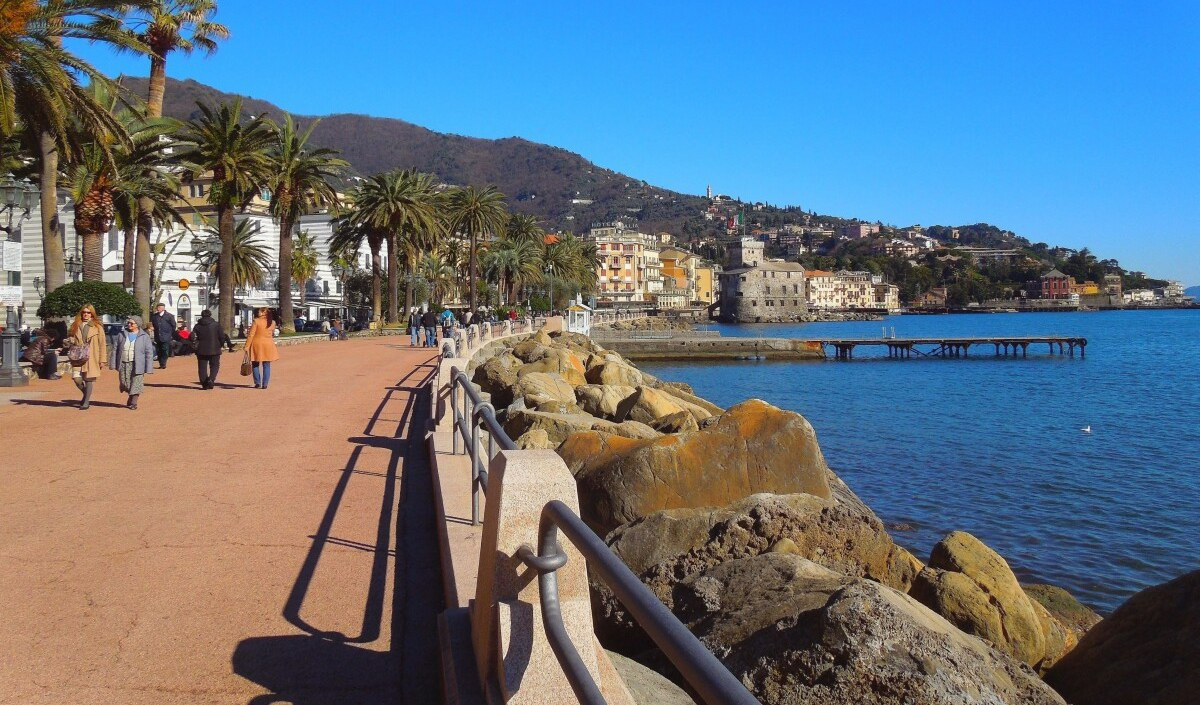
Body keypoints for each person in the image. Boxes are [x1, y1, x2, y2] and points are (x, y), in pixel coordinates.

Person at [108, 315, 153, 410]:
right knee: (125, 383)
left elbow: (149, 352)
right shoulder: (122, 334)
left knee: (137, 382)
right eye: (128, 323)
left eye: (132, 323)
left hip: (138, 363)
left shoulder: (144, 336)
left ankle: (133, 402)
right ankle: (131, 395)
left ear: (138, 325)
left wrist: (149, 367)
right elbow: (115, 349)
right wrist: (112, 363)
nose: (129, 324)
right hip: (124, 362)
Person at [66, 304, 107, 410]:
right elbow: (71, 339)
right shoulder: (76, 325)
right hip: (78, 356)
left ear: (92, 314)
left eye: (88, 312)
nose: (86, 314)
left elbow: (102, 344)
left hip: (92, 356)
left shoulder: (97, 327)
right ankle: (86, 395)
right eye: (84, 312)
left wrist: (102, 359)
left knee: (89, 379)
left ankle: (86, 402)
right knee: (76, 378)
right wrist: (70, 341)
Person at [245, 307, 279, 389]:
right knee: (266, 365)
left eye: (259, 311)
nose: (258, 313)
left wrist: (247, 346)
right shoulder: (272, 322)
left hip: (257, 344)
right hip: (268, 344)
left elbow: (251, 334)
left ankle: (257, 382)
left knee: (255, 364)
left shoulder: (256, 321)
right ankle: (265, 384)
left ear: (263, 312)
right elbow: (272, 333)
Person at [191, 309, 224, 390]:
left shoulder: (197, 326)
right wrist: (221, 344)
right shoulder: (216, 325)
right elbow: (222, 336)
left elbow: (192, 337)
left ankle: (204, 383)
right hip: (215, 348)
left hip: (201, 349)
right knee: (214, 365)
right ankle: (211, 379)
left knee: (202, 367)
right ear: (210, 315)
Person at [149, 303, 176, 369]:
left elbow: (173, 326)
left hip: (166, 336)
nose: (158, 309)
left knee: (165, 350)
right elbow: (153, 324)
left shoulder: (169, 316)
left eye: (160, 307)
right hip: (157, 336)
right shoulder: (155, 316)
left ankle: (163, 363)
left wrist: (170, 334)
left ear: (163, 308)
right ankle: (161, 363)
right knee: (158, 350)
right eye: (158, 307)